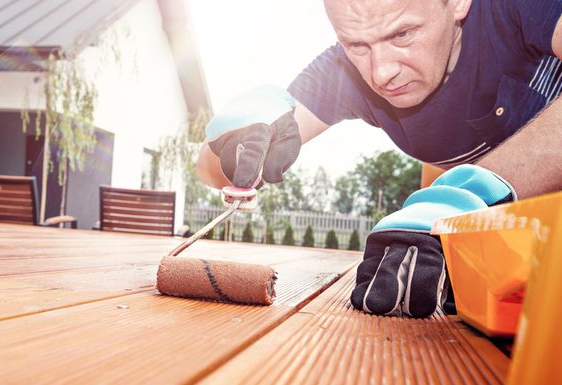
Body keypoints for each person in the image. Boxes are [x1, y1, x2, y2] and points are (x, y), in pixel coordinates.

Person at [196, 0, 562, 317]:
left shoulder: (517, 7)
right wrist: (235, 134)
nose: (381, 72)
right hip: (521, 266)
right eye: (356, 44)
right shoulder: (345, 74)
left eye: (403, 34)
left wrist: (473, 196)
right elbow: (209, 170)